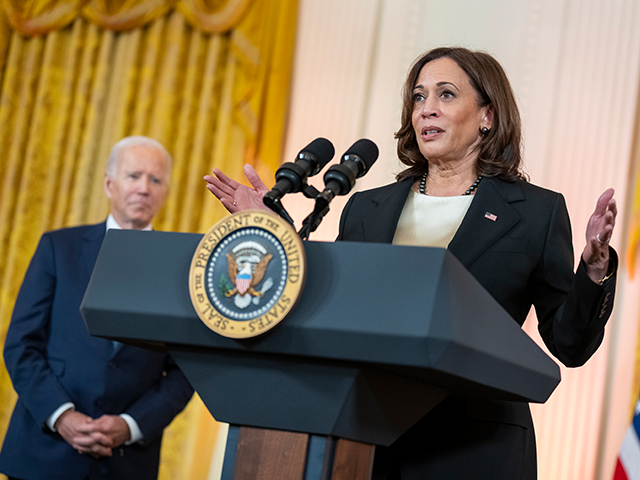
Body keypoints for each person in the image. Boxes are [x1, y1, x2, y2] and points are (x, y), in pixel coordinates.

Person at [204, 47, 617, 479]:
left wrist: (593, 268)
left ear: (487, 116)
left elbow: (570, 345)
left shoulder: (535, 212)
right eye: (419, 98)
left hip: (476, 445)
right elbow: (334, 301)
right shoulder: (367, 207)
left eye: (446, 95)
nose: (427, 110)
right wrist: (279, 235)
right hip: (367, 437)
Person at [0, 136, 194, 480]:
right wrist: (62, 417)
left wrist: (130, 425)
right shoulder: (59, 248)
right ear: (109, 184)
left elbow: (185, 371)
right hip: (41, 454)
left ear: (165, 191)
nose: (144, 188)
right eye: (133, 176)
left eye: (155, 179)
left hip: (125, 463)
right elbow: (21, 345)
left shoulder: (184, 270)